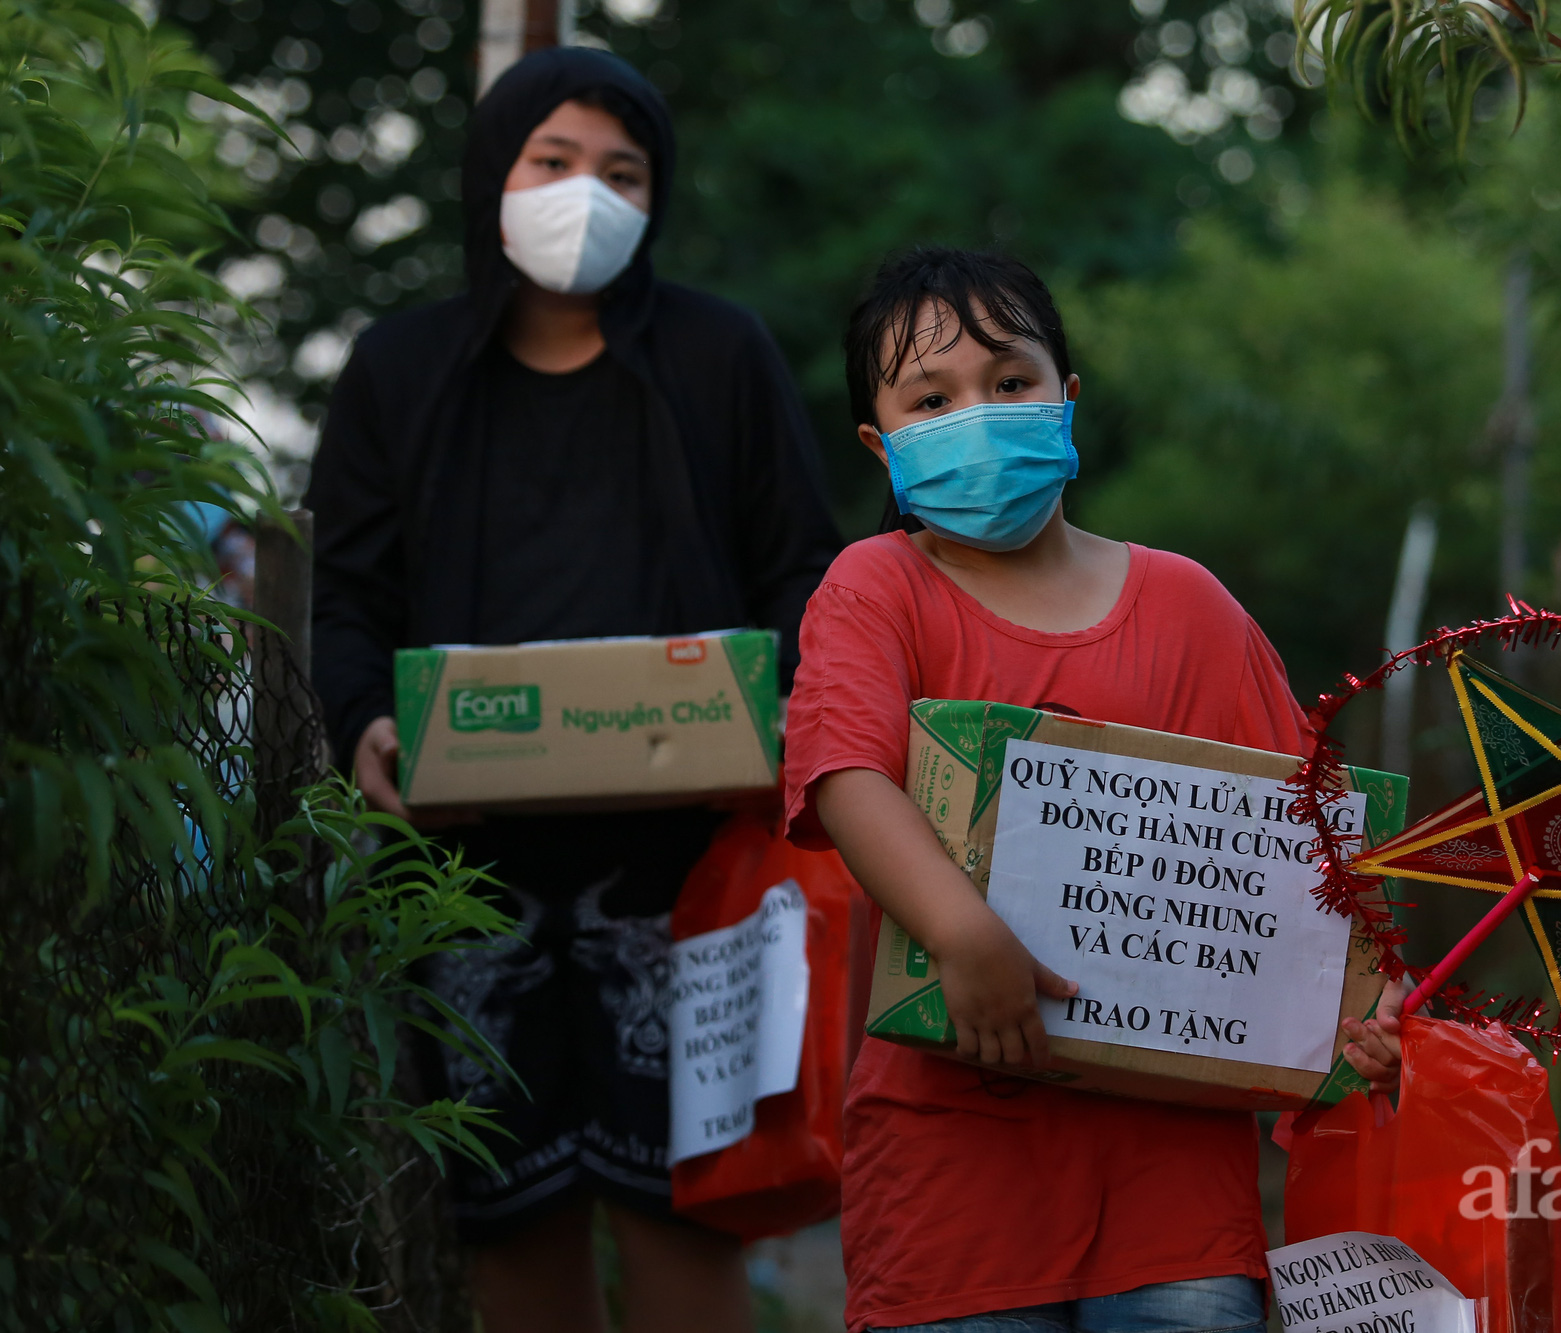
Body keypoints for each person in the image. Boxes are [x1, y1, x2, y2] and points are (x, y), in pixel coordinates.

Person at [304, 47, 842, 1333]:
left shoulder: (720, 354)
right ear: (495, 172)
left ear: (657, 197)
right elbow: (347, 596)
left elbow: (807, 570)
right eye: (554, 163)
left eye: (622, 171)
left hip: (694, 866)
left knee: (687, 1214)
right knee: (509, 1225)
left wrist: (780, 715)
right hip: (463, 871)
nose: (584, 193)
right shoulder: (401, 366)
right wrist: (366, 722)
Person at [780, 247, 1408, 1333]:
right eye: (932, 398)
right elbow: (843, 773)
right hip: (946, 1195)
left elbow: (1303, 843)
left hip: (1175, 1207)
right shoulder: (872, 588)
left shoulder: (1190, 606)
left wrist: (1363, 999)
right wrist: (961, 934)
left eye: (1008, 381)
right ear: (883, 447)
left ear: (1066, 401)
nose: (977, 413)